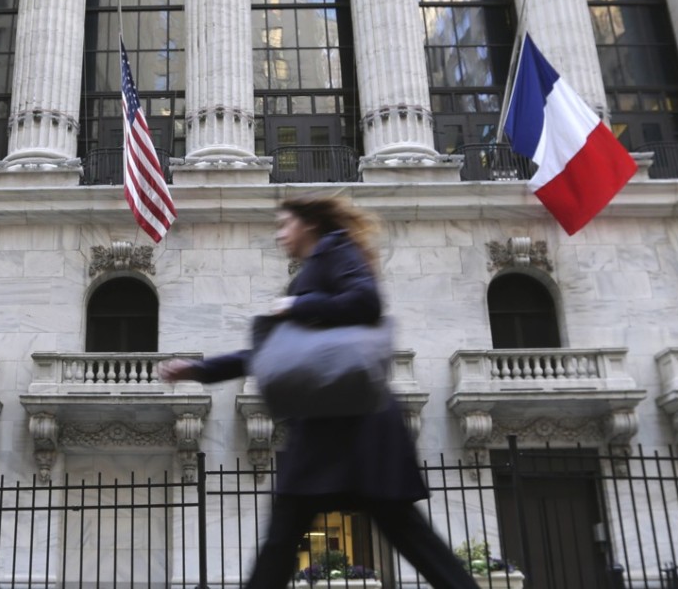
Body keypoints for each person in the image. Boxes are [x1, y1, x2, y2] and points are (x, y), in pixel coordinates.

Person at [159, 195, 481, 589]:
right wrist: (200, 370)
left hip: (360, 425)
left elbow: (366, 301)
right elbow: (272, 353)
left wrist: (298, 303)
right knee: (286, 538)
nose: (280, 234)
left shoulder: (335, 249)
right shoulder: (311, 270)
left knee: (403, 535)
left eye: (284, 224)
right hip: (329, 428)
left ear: (308, 224)